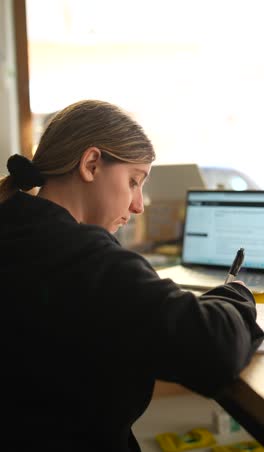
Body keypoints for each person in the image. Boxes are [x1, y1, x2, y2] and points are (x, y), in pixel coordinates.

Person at [0, 99, 263, 452]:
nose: (138, 205)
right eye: (134, 181)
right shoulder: (79, 256)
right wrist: (237, 295)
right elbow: (214, 349)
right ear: (92, 164)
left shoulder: (18, 228)